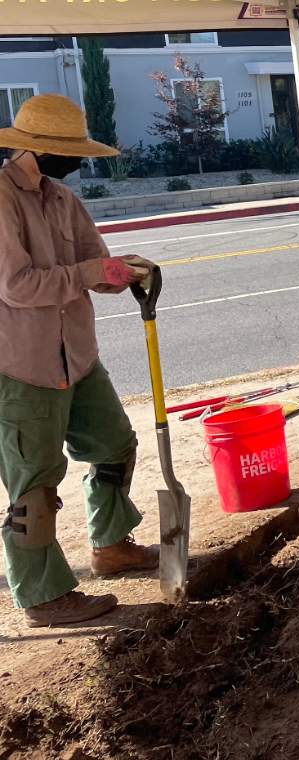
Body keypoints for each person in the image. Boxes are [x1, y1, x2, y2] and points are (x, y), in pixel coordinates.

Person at [0, 94, 159, 628]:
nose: (79, 162)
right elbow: (17, 287)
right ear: (37, 149)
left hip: (78, 356)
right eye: (70, 153)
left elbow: (94, 263)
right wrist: (92, 274)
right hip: (21, 365)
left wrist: (125, 273)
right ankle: (42, 596)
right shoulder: (1, 199)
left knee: (114, 444)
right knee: (35, 486)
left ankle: (111, 545)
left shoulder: (64, 197)